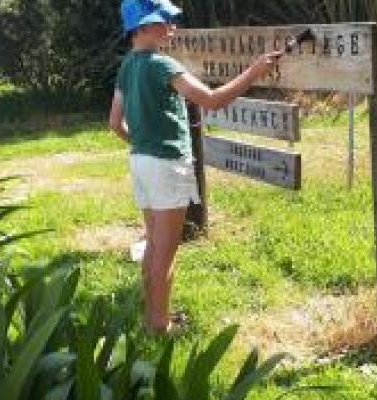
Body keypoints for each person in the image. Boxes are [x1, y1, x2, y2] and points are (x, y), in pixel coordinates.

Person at [109, 0, 282, 335]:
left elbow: (115, 123)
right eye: (165, 21)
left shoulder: (127, 66)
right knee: (167, 251)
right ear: (143, 27)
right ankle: (159, 326)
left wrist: (144, 144)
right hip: (167, 166)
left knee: (154, 245)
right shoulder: (162, 65)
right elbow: (212, 100)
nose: (173, 27)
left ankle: (152, 318)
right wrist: (254, 71)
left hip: (141, 162)